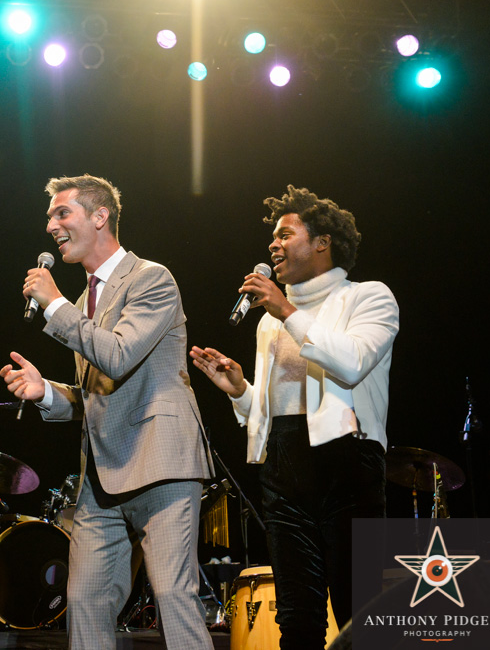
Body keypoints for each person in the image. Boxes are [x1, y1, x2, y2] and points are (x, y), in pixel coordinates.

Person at [0, 175, 214, 650]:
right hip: (101, 476)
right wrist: (47, 393)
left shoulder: (151, 279)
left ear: (100, 216)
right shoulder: (81, 304)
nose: (52, 226)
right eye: (50, 217)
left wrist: (52, 302)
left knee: (173, 596)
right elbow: (96, 392)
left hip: (160, 463)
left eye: (62, 214)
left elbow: (118, 355)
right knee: (86, 602)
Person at [189, 185, 398, 649]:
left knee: (358, 610)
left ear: (322, 242)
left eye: (286, 234)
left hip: (347, 463)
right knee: (296, 618)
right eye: (273, 238)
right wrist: (241, 392)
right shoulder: (269, 321)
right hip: (282, 469)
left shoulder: (368, 297)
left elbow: (351, 363)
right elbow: (271, 412)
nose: (273, 245)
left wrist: (286, 310)